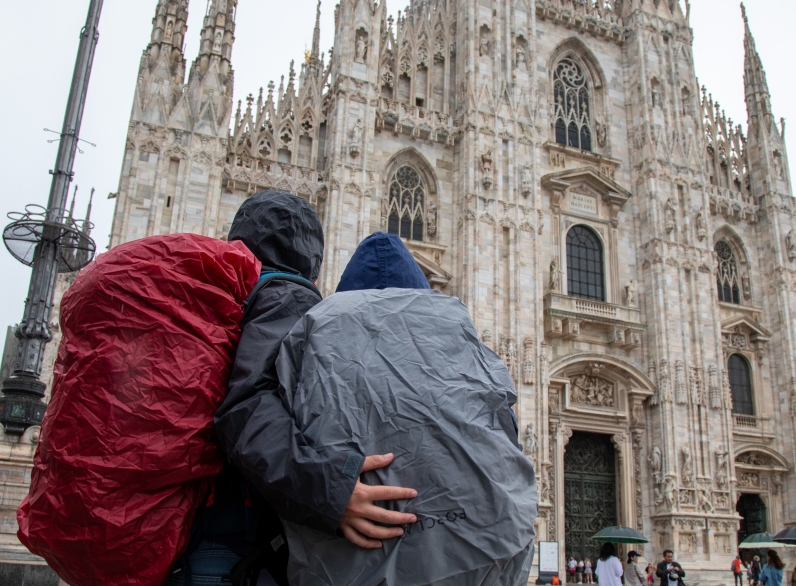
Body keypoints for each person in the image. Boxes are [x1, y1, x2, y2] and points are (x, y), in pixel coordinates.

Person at [169, 193, 419, 585]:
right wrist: (332, 494)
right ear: (312, 263)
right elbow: (246, 408)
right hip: (234, 546)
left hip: (194, 534)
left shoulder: (220, 298)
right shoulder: (288, 297)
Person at [261, 232, 536, 585]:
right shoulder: (462, 338)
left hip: (351, 561)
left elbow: (279, 430)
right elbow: (507, 442)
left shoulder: (315, 332)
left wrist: (334, 483)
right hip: (480, 555)